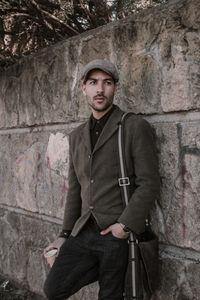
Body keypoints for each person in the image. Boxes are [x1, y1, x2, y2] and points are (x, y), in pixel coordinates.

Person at [43, 59, 160, 300]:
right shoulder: (76, 136)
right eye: (93, 83)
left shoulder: (133, 126)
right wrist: (64, 235)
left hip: (117, 233)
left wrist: (125, 226)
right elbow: (76, 189)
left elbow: (149, 182)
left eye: (107, 83)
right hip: (84, 231)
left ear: (115, 88)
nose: (100, 89)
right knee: (53, 288)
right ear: (84, 88)